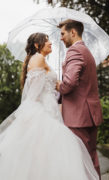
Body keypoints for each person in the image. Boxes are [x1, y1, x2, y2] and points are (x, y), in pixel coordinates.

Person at [0, 32, 99, 180]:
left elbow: (55, 86)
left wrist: (61, 84)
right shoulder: (39, 58)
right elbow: (34, 94)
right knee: (48, 155)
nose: (50, 43)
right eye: (47, 41)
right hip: (44, 113)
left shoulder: (40, 60)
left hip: (51, 109)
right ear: (37, 45)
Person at [57, 19, 103, 179]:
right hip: (90, 115)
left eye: (62, 34)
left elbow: (69, 83)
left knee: (79, 162)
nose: (61, 38)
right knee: (91, 159)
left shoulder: (74, 51)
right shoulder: (87, 52)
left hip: (78, 118)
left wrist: (58, 86)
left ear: (73, 32)